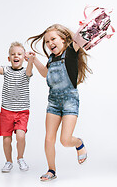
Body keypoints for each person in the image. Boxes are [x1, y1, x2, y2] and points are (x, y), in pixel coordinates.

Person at [27, 24, 90, 181]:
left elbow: (80, 40)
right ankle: (51, 170)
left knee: (65, 140)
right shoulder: (51, 58)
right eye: (47, 41)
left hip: (70, 100)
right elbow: (45, 74)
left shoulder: (70, 52)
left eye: (53, 39)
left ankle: (79, 143)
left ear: (63, 39)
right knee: (49, 138)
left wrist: (85, 27)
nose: (49, 43)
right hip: (53, 101)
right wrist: (34, 60)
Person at [0, 42, 34, 173]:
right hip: (6, 111)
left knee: (21, 136)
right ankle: (8, 161)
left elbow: (29, 69)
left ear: (24, 57)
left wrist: (31, 60)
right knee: (6, 139)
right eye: (13, 54)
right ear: (9, 58)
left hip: (22, 111)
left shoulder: (26, 72)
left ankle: (20, 158)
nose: (16, 56)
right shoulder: (6, 70)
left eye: (19, 54)